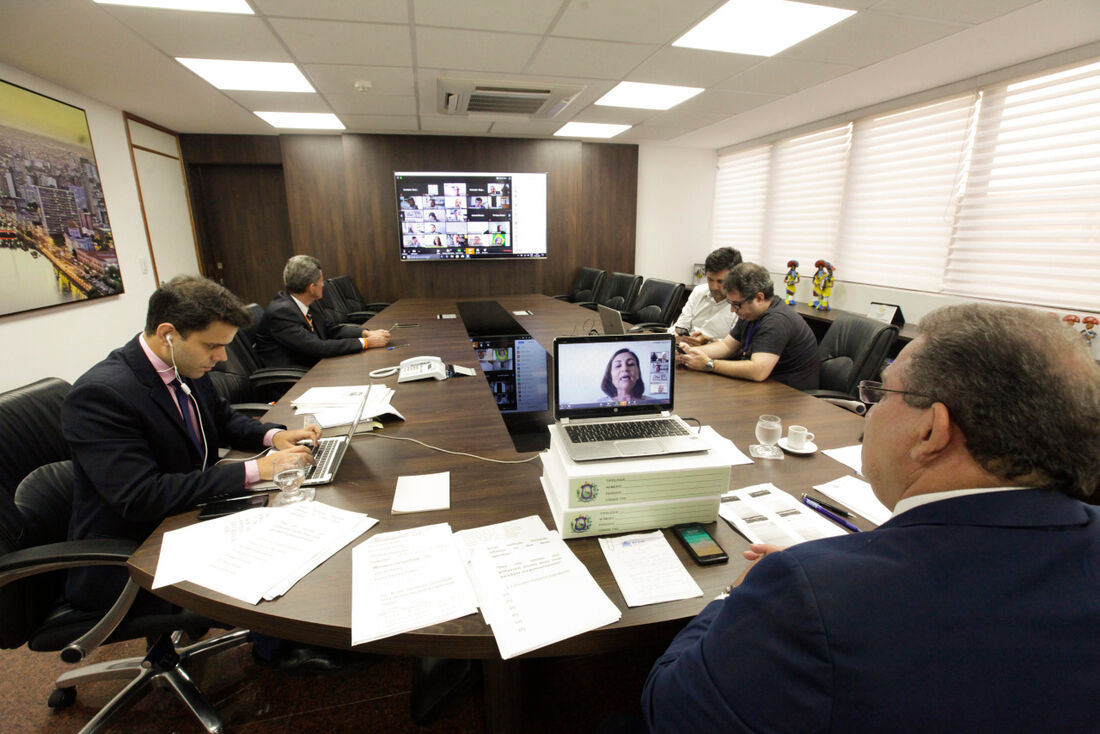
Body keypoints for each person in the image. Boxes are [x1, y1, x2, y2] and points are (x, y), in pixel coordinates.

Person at [644, 303, 1100, 733]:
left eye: (881, 393)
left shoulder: (807, 595)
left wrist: (736, 594)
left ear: (931, 431)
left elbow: (671, 709)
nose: (870, 409)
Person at [63, 275, 318, 612]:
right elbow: (142, 497)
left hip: (187, 515)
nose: (223, 357)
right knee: (281, 545)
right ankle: (278, 648)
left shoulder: (180, 364)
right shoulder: (101, 395)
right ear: (169, 334)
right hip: (136, 550)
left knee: (300, 517)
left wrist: (273, 436)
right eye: (212, 345)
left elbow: (223, 419)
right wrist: (256, 468)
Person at [678, 262, 818, 390]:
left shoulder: (777, 321)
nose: (733, 310)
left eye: (736, 304)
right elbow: (727, 346)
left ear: (759, 298)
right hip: (765, 387)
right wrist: (688, 353)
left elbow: (758, 371)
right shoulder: (751, 312)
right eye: (730, 303)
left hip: (790, 394)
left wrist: (709, 364)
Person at [254, 255, 389, 369]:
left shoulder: (303, 303)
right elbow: (318, 347)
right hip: (294, 381)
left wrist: (365, 333)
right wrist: (366, 343)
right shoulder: (281, 313)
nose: (323, 284)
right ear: (311, 288)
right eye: (321, 281)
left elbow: (330, 329)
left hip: (314, 367)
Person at [670, 247, 742, 346]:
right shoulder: (699, 291)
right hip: (686, 348)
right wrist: (675, 335)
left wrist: (708, 341)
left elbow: (735, 345)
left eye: (720, 281)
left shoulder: (742, 303)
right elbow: (680, 325)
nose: (713, 287)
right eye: (710, 279)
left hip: (716, 355)